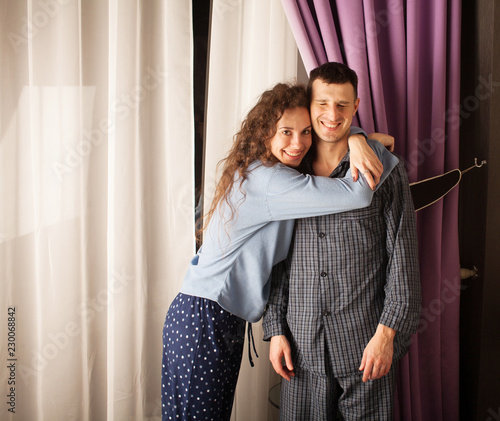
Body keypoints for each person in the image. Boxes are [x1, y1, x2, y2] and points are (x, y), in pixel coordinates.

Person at [161, 82, 398, 420]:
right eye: (286, 131)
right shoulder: (271, 182)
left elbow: (331, 134)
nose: (298, 142)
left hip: (210, 315)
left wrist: (356, 138)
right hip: (205, 318)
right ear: (265, 133)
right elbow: (358, 194)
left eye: (305, 132)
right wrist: (370, 145)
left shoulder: (265, 172)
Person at [263, 62, 421, 420]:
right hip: (300, 350)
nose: (332, 115)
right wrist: (275, 330)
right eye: (322, 104)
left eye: (342, 105)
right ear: (309, 104)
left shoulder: (386, 172)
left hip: (365, 348)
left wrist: (386, 336)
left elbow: (404, 261)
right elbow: (275, 259)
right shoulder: (286, 173)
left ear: (357, 106)